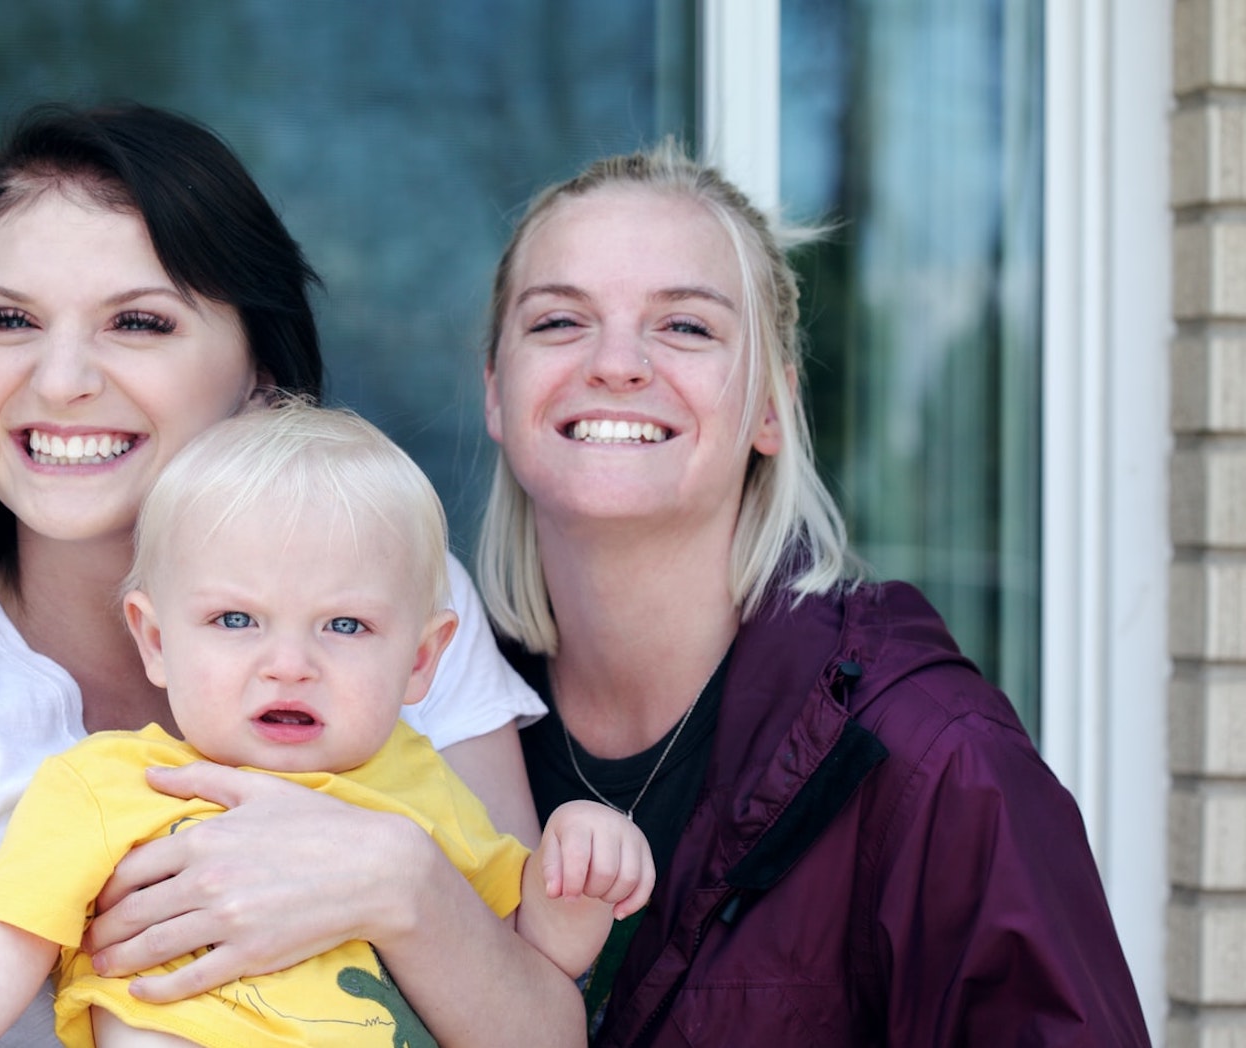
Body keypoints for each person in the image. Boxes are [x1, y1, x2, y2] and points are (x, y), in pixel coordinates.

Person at [0, 102, 590, 1046]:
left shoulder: (389, 599)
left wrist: (400, 880)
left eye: (137, 321)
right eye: (8, 320)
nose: (60, 379)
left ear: (261, 373)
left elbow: (542, 1023)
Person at [0, 404, 653, 1048]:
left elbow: (534, 1009)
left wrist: (574, 884)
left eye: (344, 625)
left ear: (422, 659)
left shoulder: (420, 793)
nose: (288, 661)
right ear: (153, 637)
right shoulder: (106, 791)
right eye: (235, 619)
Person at [476, 139, 1150, 1045]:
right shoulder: (422, 722)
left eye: (687, 326)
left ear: (769, 408)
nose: (616, 362)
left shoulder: (936, 760)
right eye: (559, 321)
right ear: (495, 392)